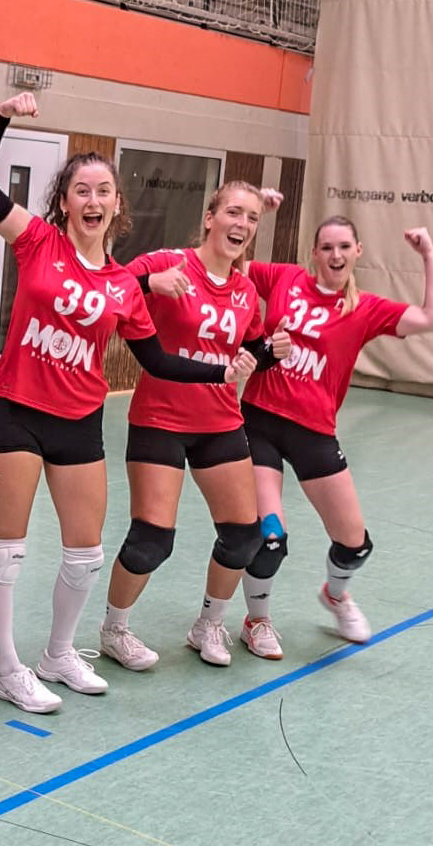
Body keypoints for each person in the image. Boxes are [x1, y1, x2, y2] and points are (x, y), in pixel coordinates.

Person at [0, 93, 257, 712]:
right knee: (6, 551)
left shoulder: (124, 285)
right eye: (82, 191)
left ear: (117, 205)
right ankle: (8, 668)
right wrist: (3, 116)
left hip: (80, 421)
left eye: (104, 191)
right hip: (19, 412)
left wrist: (221, 370)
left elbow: (157, 361)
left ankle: (58, 654)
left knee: (86, 553)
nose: (93, 200)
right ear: (64, 203)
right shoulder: (36, 241)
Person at [98, 181, 291, 671]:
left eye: (251, 218)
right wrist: (150, 283)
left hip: (220, 421)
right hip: (160, 419)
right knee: (152, 539)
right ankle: (114, 630)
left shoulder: (245, 291)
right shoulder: (170, 263)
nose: (242, 225)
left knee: (244, 535)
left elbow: (249, 351)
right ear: (210, 218)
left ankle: (209, 624)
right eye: (233, 212)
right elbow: (107, 282)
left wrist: (272, 351)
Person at [238, 213, 433, 648]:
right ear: (314, 253)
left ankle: (335, 596)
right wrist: (258, 211)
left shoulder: (365, 309)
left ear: (357, 252)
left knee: (355, 545)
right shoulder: (285, 278)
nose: (336, 255)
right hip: (260, 421)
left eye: (344, 247)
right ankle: (256, 622)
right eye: (327, 247)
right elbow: (232, 263)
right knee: (270, 537)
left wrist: (428, 253)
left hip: (314, 432)